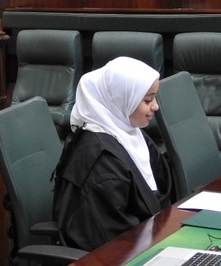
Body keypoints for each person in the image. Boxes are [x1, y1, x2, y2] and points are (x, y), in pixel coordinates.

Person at [52, 56, 172, 251]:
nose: (155, 106)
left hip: (149, 238)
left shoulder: (129, 133)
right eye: (147, 99)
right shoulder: (102, 163)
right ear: (120, 100)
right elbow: (111, 244)